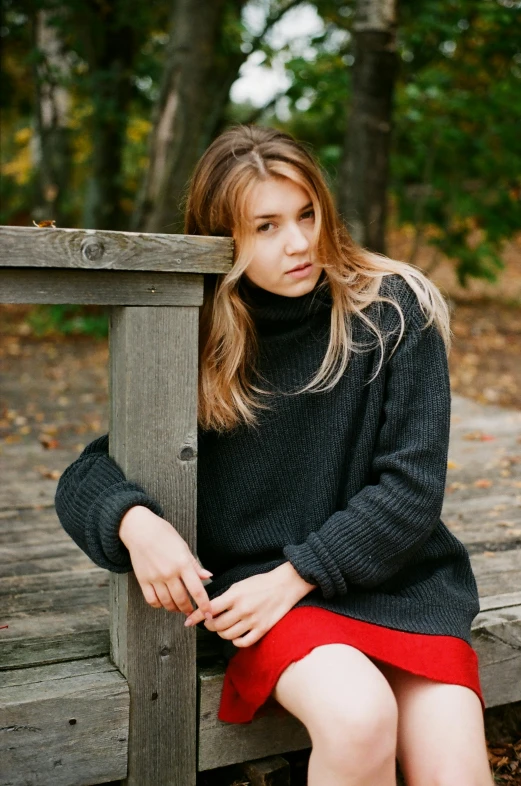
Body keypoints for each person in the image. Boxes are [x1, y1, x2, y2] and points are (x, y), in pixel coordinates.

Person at [55, 124, 493, 786]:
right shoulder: (198, 337)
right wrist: (134, 522)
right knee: (359, 718)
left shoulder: (394, 309)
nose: (297, 243)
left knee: (456, 774)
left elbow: (409, 492)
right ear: (224, 238)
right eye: (265, 227)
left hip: (395, 582)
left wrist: (296, 574)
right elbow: (87, 473)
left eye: (306, 214)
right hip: (269, 600)